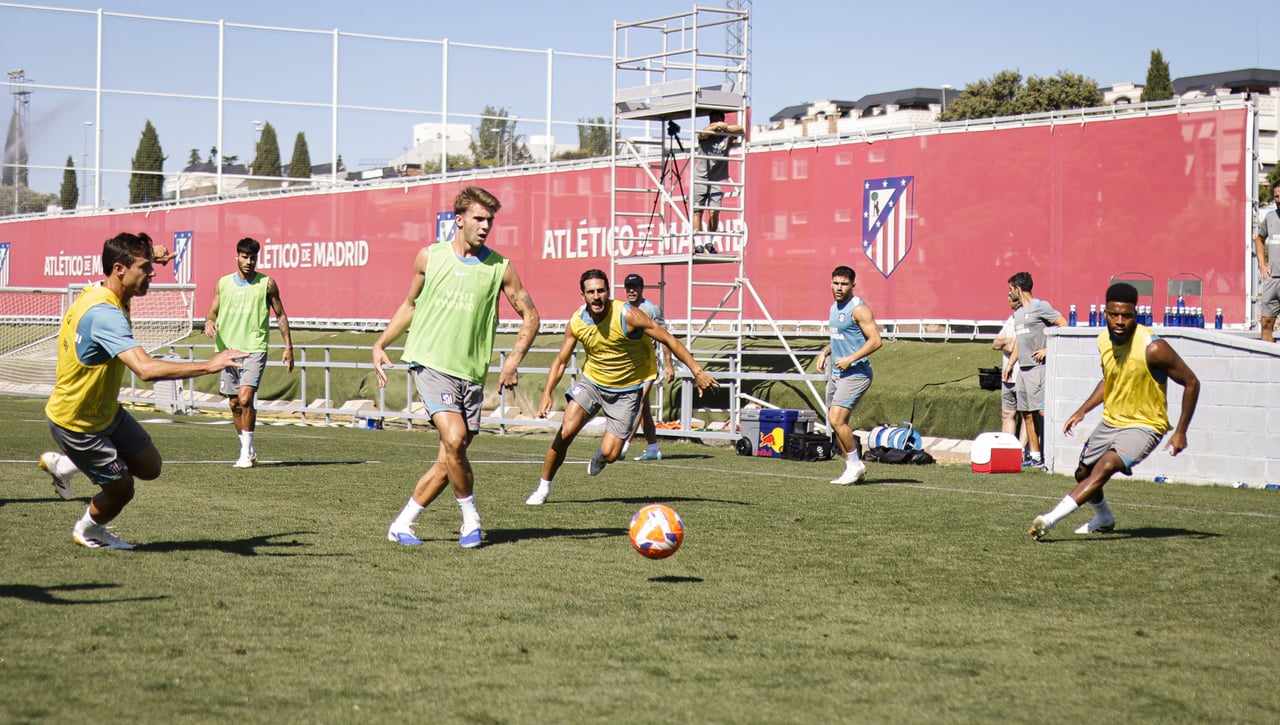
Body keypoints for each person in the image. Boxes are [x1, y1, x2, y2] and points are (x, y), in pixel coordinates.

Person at [42, 232, 247, 549]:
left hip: (105, 410)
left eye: (151, 266)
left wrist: (151, 255)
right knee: (122, 488)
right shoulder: (105, 315)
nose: (151, 273)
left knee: (150, 467)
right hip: (78, 423)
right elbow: (146, 369)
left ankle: (62, 466)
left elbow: (119, 252)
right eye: (144, 267)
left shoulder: (102, 288)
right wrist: (210, 364)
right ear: (120, 270)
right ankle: (87, 531)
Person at [377, 186, 540, 548]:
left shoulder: (501, 267)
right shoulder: (429, 257)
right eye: (479, 219)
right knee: (453, 439)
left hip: (471, 374)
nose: (485, 226)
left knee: (451, 458)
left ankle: (402, 524)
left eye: (490, 221)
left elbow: (531, 314)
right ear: (459, 219)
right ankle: (471, 519)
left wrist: (512, 361)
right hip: (431, 364)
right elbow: (409, 304)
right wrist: (381, 343)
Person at [524, 269, 718, 506]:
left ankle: (601, 455)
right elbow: (561, 361)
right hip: (592, 383)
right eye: (591, 292)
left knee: (611, 453)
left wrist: (697, 370)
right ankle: (543, 488)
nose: (597, 297)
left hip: (627, 390)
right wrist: (546, 394)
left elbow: (668, 339)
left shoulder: (629, 315)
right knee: (566, 431)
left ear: (608, 292)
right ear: (583, 295)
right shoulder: (576, 321)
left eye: (601, 291)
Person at [1030, 283, 1200, 540]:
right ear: (1105, 313)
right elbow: (1110, 380)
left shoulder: (1153, 348)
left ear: (1136, 315)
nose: (1120, 321)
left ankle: (1049, 520)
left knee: (1106, 466)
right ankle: (1103, 517)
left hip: (1146, 425)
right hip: (1111, 421)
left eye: (1127, 315)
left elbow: (1191, 382)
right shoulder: (1103, 340)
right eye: (1114, 314)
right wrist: (1082, 410)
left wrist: (1181, 431)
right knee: (1083, 473)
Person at [203, 237, 294, 468]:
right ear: (237, 256)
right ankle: (249, 450)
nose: (249, 261)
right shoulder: (223, 283)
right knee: (234, 404)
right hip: (228, 352)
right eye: (245, 256)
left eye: (253, 257)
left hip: (254, 348)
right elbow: (211, 312)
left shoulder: (267, 284)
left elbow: (280, 314)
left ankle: (245, 454)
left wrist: (288, 346)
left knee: (245, 398)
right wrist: (209, 322)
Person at [815, 265, 883, 485]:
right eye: (836, 283)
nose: (839, 288)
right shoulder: (834, 308)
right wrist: (826, 351)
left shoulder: (859, 309)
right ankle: (851, 467)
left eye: (844, 284)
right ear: (830, 283)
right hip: (837, 372)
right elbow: (841, 339)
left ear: (853, 285)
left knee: (837, 419)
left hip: (856, 373)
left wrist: (850, 359)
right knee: (835, 423)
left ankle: (856, 465)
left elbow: (876, 341)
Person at [1004, 271, 1067, 470]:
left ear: (1017, 289)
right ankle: (1035, 456)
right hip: (1022, 370)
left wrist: (1049, 349)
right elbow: (1019, 342)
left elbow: (1063, 323)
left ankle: (1052, 455)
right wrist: (1010, 365)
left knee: (1041, 412)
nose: (1009, 293)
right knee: (1026, 414)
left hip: (1038, 369)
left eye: (1010, 289)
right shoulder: (1019, 312)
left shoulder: (1041, 306)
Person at [621, 273, 675, 461]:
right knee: (643, 409)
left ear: (642, 288)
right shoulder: (622, 309)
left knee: (637, 402)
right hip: (629, 366)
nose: (631, 291)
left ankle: (623, 445)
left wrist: (669, 364)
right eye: (628, 287)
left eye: (635, 287)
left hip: (648, 365)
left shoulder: (651, 309)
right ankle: (653, 448)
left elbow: (664, 337)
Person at [692, 110, 745, 242]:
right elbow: (701, 133)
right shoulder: (707, 133)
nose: (715, 123)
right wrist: (715, 127)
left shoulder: (727, 134)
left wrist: (725, 127)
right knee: (697, 211)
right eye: (713, 121)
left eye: (718, 120)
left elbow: (741, 130)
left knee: (714, 211)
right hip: (700, 177)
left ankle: (709, 242)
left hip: (716, 179)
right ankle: (698, 243)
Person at [992, 290, 1026, 444]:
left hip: (1022, 374)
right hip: (1007, 378)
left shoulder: (1026, 319)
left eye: (1009, 295)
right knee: (1007, 413)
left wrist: (1009, 343)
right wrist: (1009, 343)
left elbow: (1021, 345)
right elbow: (996, 343)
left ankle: (1023, 453)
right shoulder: (1010, 320)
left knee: (1027, 416)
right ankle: (1007, 448)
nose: (1007, 298)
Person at [1253, 187, 1280, 342]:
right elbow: (1259, 239)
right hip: (1273, 279)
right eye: (1276, 197)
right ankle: (1267, 360)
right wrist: (1262, 265)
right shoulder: (1270, 218)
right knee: (1266, 321)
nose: (1279, 200)